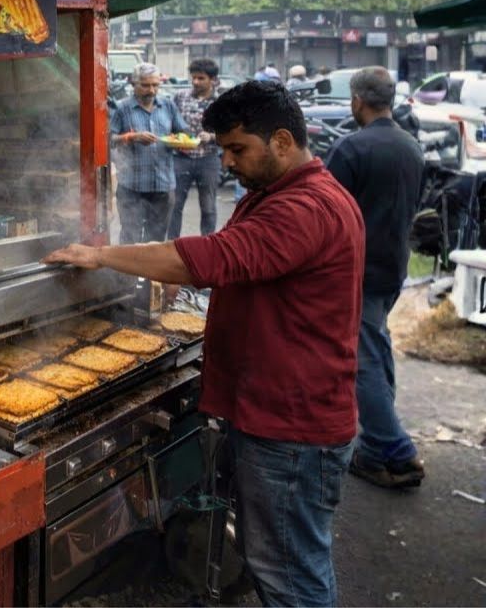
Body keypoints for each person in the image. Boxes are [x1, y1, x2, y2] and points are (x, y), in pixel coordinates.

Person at [46, 81, 364, 607]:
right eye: (223, 150)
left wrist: (101, 256)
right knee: (286, 562)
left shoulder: (304, 208)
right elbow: (224, 263)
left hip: (291, 428)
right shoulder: (283, 195)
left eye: (238, 149)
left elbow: (209, 259)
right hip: (284, 413)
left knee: (290, 574)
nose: (228, 162)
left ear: (282, 141)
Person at [325, 67, 426, 489]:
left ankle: (397, 452)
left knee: (361, 361)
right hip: (393, 266)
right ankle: (375, 445)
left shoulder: (352, 148)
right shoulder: (411, 146)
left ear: (356, 101)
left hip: (359, 271)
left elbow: (325, 212)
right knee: (377, 345)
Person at [109, 63, 186, 244]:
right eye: (145, 85)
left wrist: (179, 139)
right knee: (130, 237)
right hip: (131, 186)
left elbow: (182, 131)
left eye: (155, 85)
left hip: (163, 186)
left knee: (156, 240)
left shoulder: (168, 106)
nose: (151, 90)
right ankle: (127, 273)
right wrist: (131, 136)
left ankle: (151, 273)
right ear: (133, 84)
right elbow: (109, 139)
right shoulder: (122, 108)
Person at [168, 58, 222, 238]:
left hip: (208, 159)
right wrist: (175, 137)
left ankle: (207, 244)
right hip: (181, 158)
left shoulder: (222, 101)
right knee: (175, 205)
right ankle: (172, 246)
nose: (196, 82)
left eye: (201, 78)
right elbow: (169, 123)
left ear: (213, 80)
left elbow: (233, 131)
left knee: (208, 207)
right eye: (194, 78)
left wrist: (213, 136)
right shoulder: (180, 97)